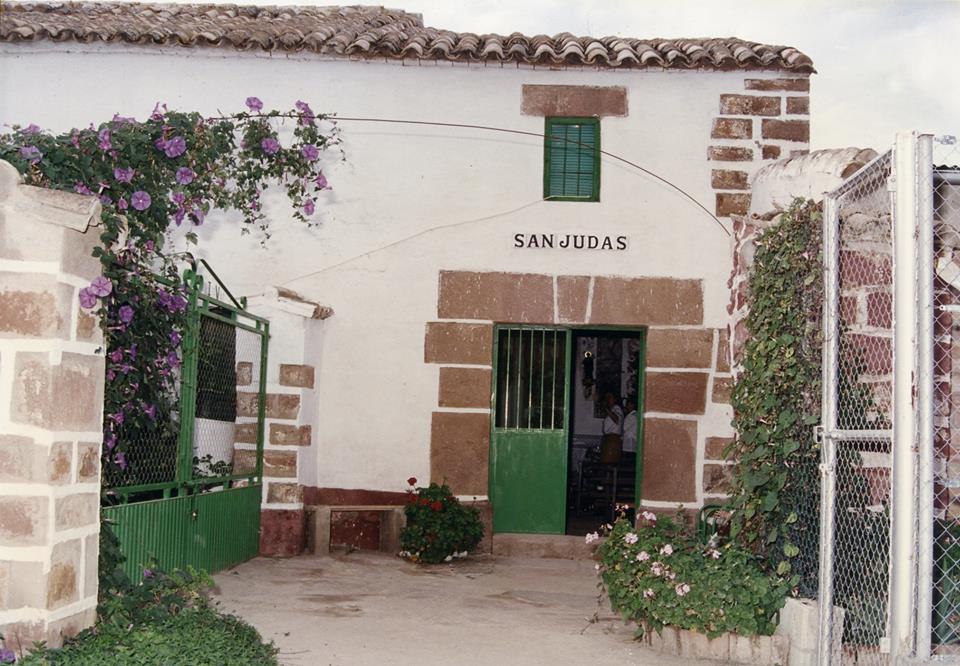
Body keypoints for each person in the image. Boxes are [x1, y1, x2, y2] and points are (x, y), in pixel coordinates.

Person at [599, 392, 623, 463]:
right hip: (608, 439)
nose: (608, 400)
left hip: (613, 440)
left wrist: (606, 408)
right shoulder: (612, 409)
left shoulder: (617, 408)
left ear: (615, 399)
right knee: (606, 463)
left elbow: (616, 419)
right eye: (607, 398)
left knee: (609, 463)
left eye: (610, 397)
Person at [622, 401, 638, 467]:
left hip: (630, 440)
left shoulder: (632, 416)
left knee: (629, 460)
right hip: (633, 439)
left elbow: (625, 428)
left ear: (632, 405)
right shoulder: (635, 415)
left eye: (628, 404)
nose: (627, 406)